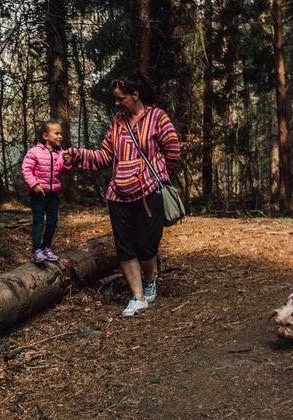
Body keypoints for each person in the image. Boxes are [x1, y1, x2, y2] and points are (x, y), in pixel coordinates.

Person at [63, 72, 180, 317]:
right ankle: (137, 297)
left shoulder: (158, 118)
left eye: (120, 98)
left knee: (147, 245)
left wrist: (155, 174)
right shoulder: (117, 122)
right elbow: (104, 156)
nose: (116, 103)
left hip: (150, 192)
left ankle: (149, 281)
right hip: (118, 195)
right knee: (125, 247)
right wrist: (77, 156)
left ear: (135, 95)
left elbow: (173, 151)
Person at [21, 119, 72, 263]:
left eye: (61, 133)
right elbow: (26, 170)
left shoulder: (60, 153)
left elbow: (64, 171)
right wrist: (34, 185)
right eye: (56, 133)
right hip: (38, 193)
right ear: (45, 136)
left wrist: (68, 163)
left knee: (52, 221)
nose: (60, 136)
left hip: (53, 194)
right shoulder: (34, 152)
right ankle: (36, 250)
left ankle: (46, 248)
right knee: (39, 222)